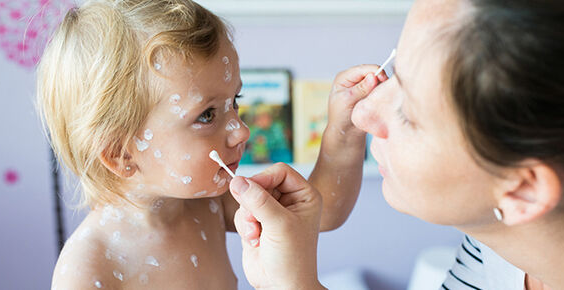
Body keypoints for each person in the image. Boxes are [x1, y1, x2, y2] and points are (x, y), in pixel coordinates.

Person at [228, 0, 564, 289]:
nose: (362, 115)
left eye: (410, 113)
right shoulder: (499, 243)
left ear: (522, 191)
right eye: (395, 70)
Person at [36, 0, 384, 288]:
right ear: (121, 154)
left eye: (235, 100)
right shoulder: (88, 269)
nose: (241, 130)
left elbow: (321, 213)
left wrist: (345, 129)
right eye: (206, 115)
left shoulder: (207, 204)